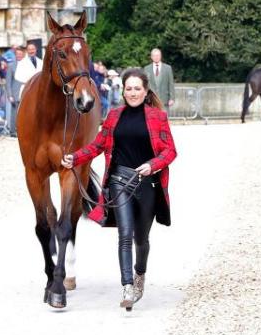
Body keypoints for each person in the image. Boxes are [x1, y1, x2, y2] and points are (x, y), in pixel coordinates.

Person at [61, 68, 177, 310]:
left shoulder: (158, 117)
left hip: (147, 183)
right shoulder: (114, 116)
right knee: (124, 235)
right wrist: (75, 157)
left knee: (141, 239)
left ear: (145, 92)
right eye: (128, 88)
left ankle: (139, 275)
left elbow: (170, 151)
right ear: (123, 91)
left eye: (137, 88)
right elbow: (97, 145)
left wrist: (152, 165)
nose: (132, 92)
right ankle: (127, 286)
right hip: (119, 181)